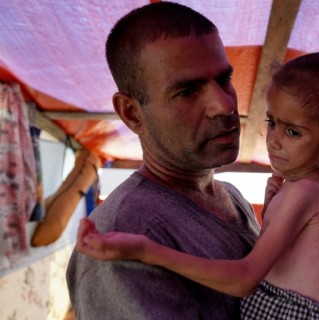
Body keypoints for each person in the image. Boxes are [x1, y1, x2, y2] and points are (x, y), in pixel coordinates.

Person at [76, 52, 319, 320]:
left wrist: (147, 250)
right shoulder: (313, 192)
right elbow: (294, 267)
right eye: (272, 122)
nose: (273, 139)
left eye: (294, 132)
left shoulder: (304, 193)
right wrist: (271, 214)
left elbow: (246, 278)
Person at [66, 2, 260, 319]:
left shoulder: (232, 197)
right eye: (187, 91)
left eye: (224, 79)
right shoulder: (121, 239)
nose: (224, 105)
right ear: (131, 113)